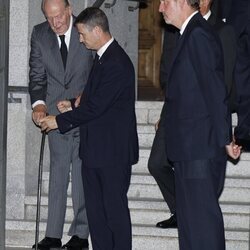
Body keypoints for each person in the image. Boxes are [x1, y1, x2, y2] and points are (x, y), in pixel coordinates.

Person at [39, 7, 139, 250]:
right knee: (96, 215)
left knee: (114, 213)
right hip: (95, 151)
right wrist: (73, 102)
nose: (80, 40)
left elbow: (97, 107)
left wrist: (58, 121)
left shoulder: (117, 61)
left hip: (112, 154)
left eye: (82, 34)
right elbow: (95, 96)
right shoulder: (102, 56)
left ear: (97, 30)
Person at [158, 0, 241, 249]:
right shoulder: (187, 34)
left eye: (164, 1)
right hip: (188, 150)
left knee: (202, 228)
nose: (161, 8)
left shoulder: (198, 35)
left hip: (199, 150)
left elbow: (215, 91)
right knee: (191, 229)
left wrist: (226, 138)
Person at [29, 0, 93, 249]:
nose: (55, 23)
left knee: (80, 173)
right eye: (49, 18)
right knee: (57, 172)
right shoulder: (39, 34)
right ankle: (53, 236)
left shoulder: (84, 29)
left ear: (69, 10)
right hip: (54, 115)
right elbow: (37, 74)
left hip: (82, 112)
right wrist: (39, 105)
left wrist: (81, 101)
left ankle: (80, 235)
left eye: (59, 16)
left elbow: (97, 73)